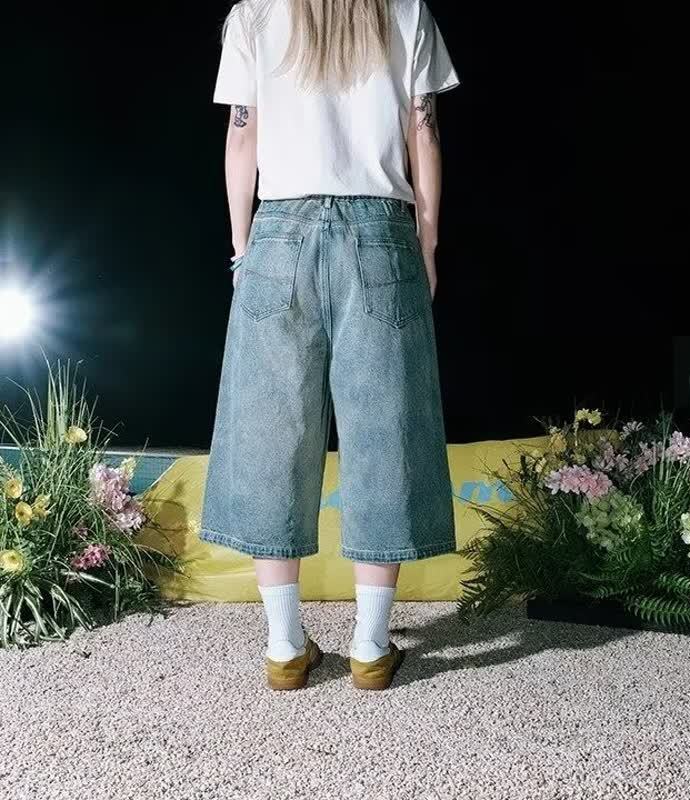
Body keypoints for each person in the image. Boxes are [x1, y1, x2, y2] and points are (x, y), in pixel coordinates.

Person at [199, 0, 460, 691]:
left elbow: (241, 137)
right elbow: (423, 132)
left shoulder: (253, 15)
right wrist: (427, 244)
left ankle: (285, 645)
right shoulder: (406, 12)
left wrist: (242, 246)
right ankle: (371, 646)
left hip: (280, 232)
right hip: (381, 232)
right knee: (385, 431)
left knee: (272, 432)